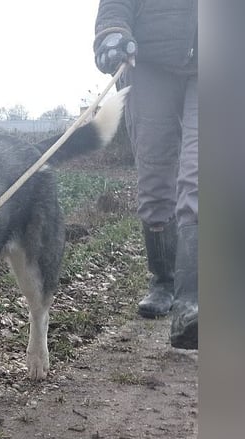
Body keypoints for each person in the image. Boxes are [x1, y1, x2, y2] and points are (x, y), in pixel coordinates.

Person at [93, 0, 198, 349]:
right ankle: (164, 280)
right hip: (150, 62)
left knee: (198, 176)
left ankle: (192, 301)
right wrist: (112, 35)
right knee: (154, 182)